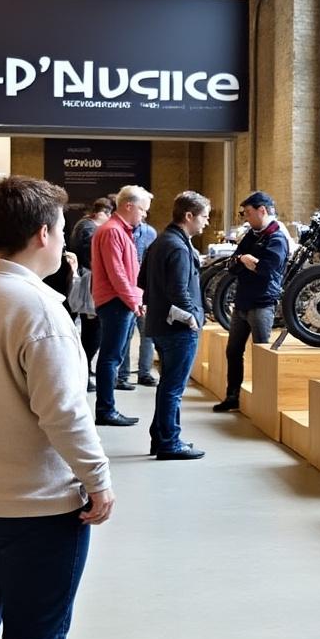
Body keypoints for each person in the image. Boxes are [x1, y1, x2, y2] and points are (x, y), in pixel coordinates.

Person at [0, 175, 114, 639]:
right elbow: (64, 413)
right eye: (59, 230)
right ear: (42, 234)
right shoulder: (37, 309)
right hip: (38, 511)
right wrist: (98, 481)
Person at [141, 192, 210, 461]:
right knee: (174, 389)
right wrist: (193, 317)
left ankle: (161, 438)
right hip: (177, 329)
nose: (206, 222)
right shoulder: (179, 247)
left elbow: (142, 279)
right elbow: (179, 290)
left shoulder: (161, 241)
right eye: (204, 216)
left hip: (159, 324)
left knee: (167, 386)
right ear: (189, 216)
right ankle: (170, 442)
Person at [213, 191, 288, 412]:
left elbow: (267, 269)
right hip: (242, 302)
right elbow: (232, 264)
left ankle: (264, 401)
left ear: (262, 210)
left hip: (262, 303)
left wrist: (246, 261)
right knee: (233, 351)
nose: (245, 218)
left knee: (262, 353)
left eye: (247, 213)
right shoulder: (251, 235)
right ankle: (232, 395)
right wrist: (246, 261)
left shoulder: (277, 238)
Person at [90, 185, 151, 427]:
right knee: (110, 357)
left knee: (114, 356)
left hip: (122, 301)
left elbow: (129, 271)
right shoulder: (112, 231)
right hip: (115, 302)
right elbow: (118, 274)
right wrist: (134, 300)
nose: (144, 215)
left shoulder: (120, 231)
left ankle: (108, 408)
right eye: (143, 210)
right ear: (129, 205)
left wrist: (138, 298)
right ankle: (106, 410)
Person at [69, 198, 114, 392]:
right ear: (102, 212)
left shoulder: (84, 225)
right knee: (92, 330)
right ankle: (84, 372)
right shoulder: (88, 228)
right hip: (88, 284)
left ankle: (84, 371)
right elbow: (91, 257)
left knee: (89, 330)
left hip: (84, 282)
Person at [119, 219, 158, 388]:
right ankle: (123, 375)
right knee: (126, 336)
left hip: (144, 290)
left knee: (147, 333)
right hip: (126, 290)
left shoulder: (150, 233)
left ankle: (145, 373)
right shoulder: (119, 232)